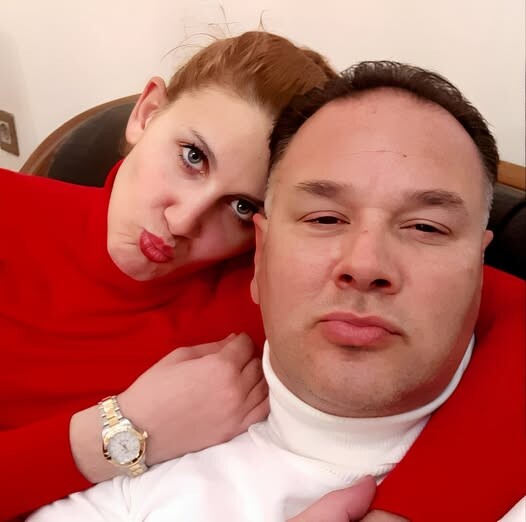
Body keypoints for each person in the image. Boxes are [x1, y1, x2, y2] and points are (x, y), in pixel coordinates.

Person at [28, 61, 525, 522]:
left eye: (425, 228)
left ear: (478, 267)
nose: (365, 265)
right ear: (261, 255)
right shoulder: (143, 458)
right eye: (325, 218)